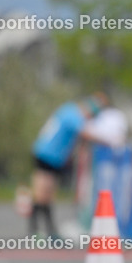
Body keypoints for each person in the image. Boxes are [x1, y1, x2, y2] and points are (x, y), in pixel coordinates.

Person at [30, 94, 107, 239]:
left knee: (47, 196)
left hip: (53, 158)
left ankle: (48, 230)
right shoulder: (73, 115)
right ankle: (37, 231)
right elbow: (86, 133)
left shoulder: (68, 110)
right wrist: (108, 140)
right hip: (47, 156)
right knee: (42, 195)